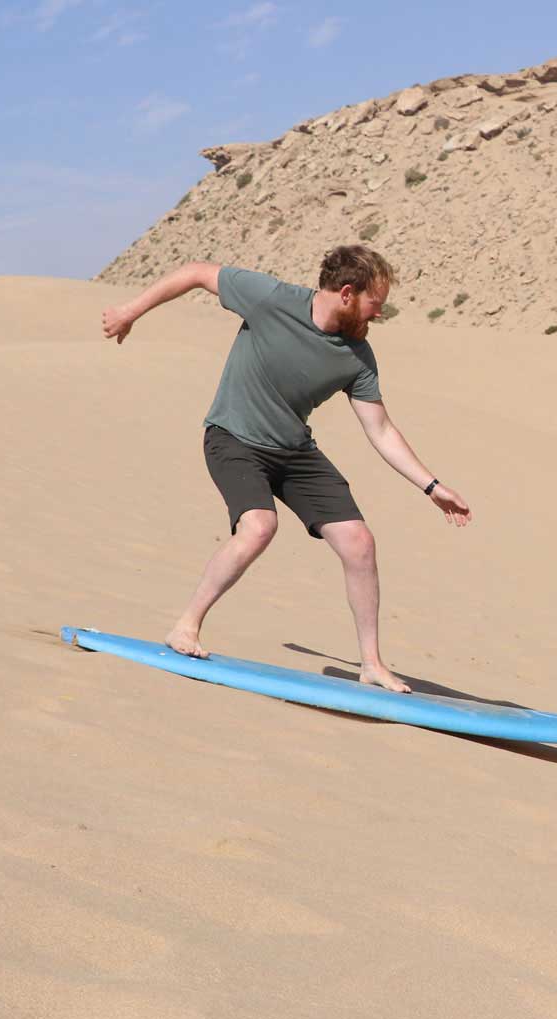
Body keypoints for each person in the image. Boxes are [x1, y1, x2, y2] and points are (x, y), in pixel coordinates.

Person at [99, 245, 471, 692]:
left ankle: (371, 663)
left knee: (359, 543)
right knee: (259, 526)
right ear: (347, 293)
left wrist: (432, 486)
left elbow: (381, 429)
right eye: (375, 303)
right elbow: (196, 271)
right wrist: (130, 311)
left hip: (294, 452)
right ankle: (186, 626)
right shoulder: (271, 299)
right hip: (233, 439)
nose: (379, 314)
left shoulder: (357, 356)